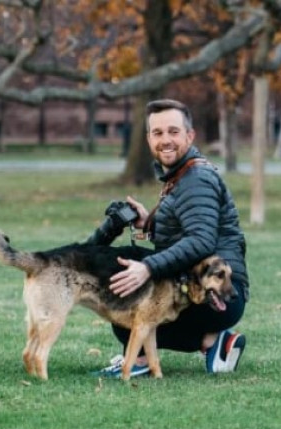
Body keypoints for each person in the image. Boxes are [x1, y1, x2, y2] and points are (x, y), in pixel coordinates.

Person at [87, 98, 249, 377]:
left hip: (218, 295)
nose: (165, 140)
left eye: (173, 132)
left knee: (126, 306)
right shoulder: (182, 176)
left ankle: (145, 359)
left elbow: (201, 241)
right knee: (126, 293)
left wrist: (148, 268)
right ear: (149, 138)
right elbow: (188, 231)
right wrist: (149, 225)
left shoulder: (195, 178)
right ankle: (212, 342)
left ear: (190, 135)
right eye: (157, 133)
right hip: (205, 290)